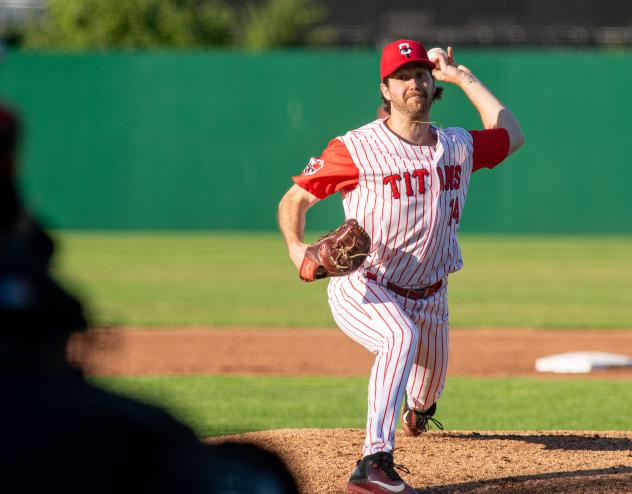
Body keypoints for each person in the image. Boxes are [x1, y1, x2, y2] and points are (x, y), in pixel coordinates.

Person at [278, 40, 524, 493]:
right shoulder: (355, 149)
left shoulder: (457, 146)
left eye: (422, 74)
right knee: (398, 337)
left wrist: (462, 76)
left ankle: (418, 412)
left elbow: (511, 133)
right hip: (368, 284)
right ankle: (372, 464)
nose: (416, 82)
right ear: (386, 89)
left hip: (432, 294)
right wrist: (298, 250)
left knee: (426, 395)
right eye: (403, 76)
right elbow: (295, 199)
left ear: (433, 85)